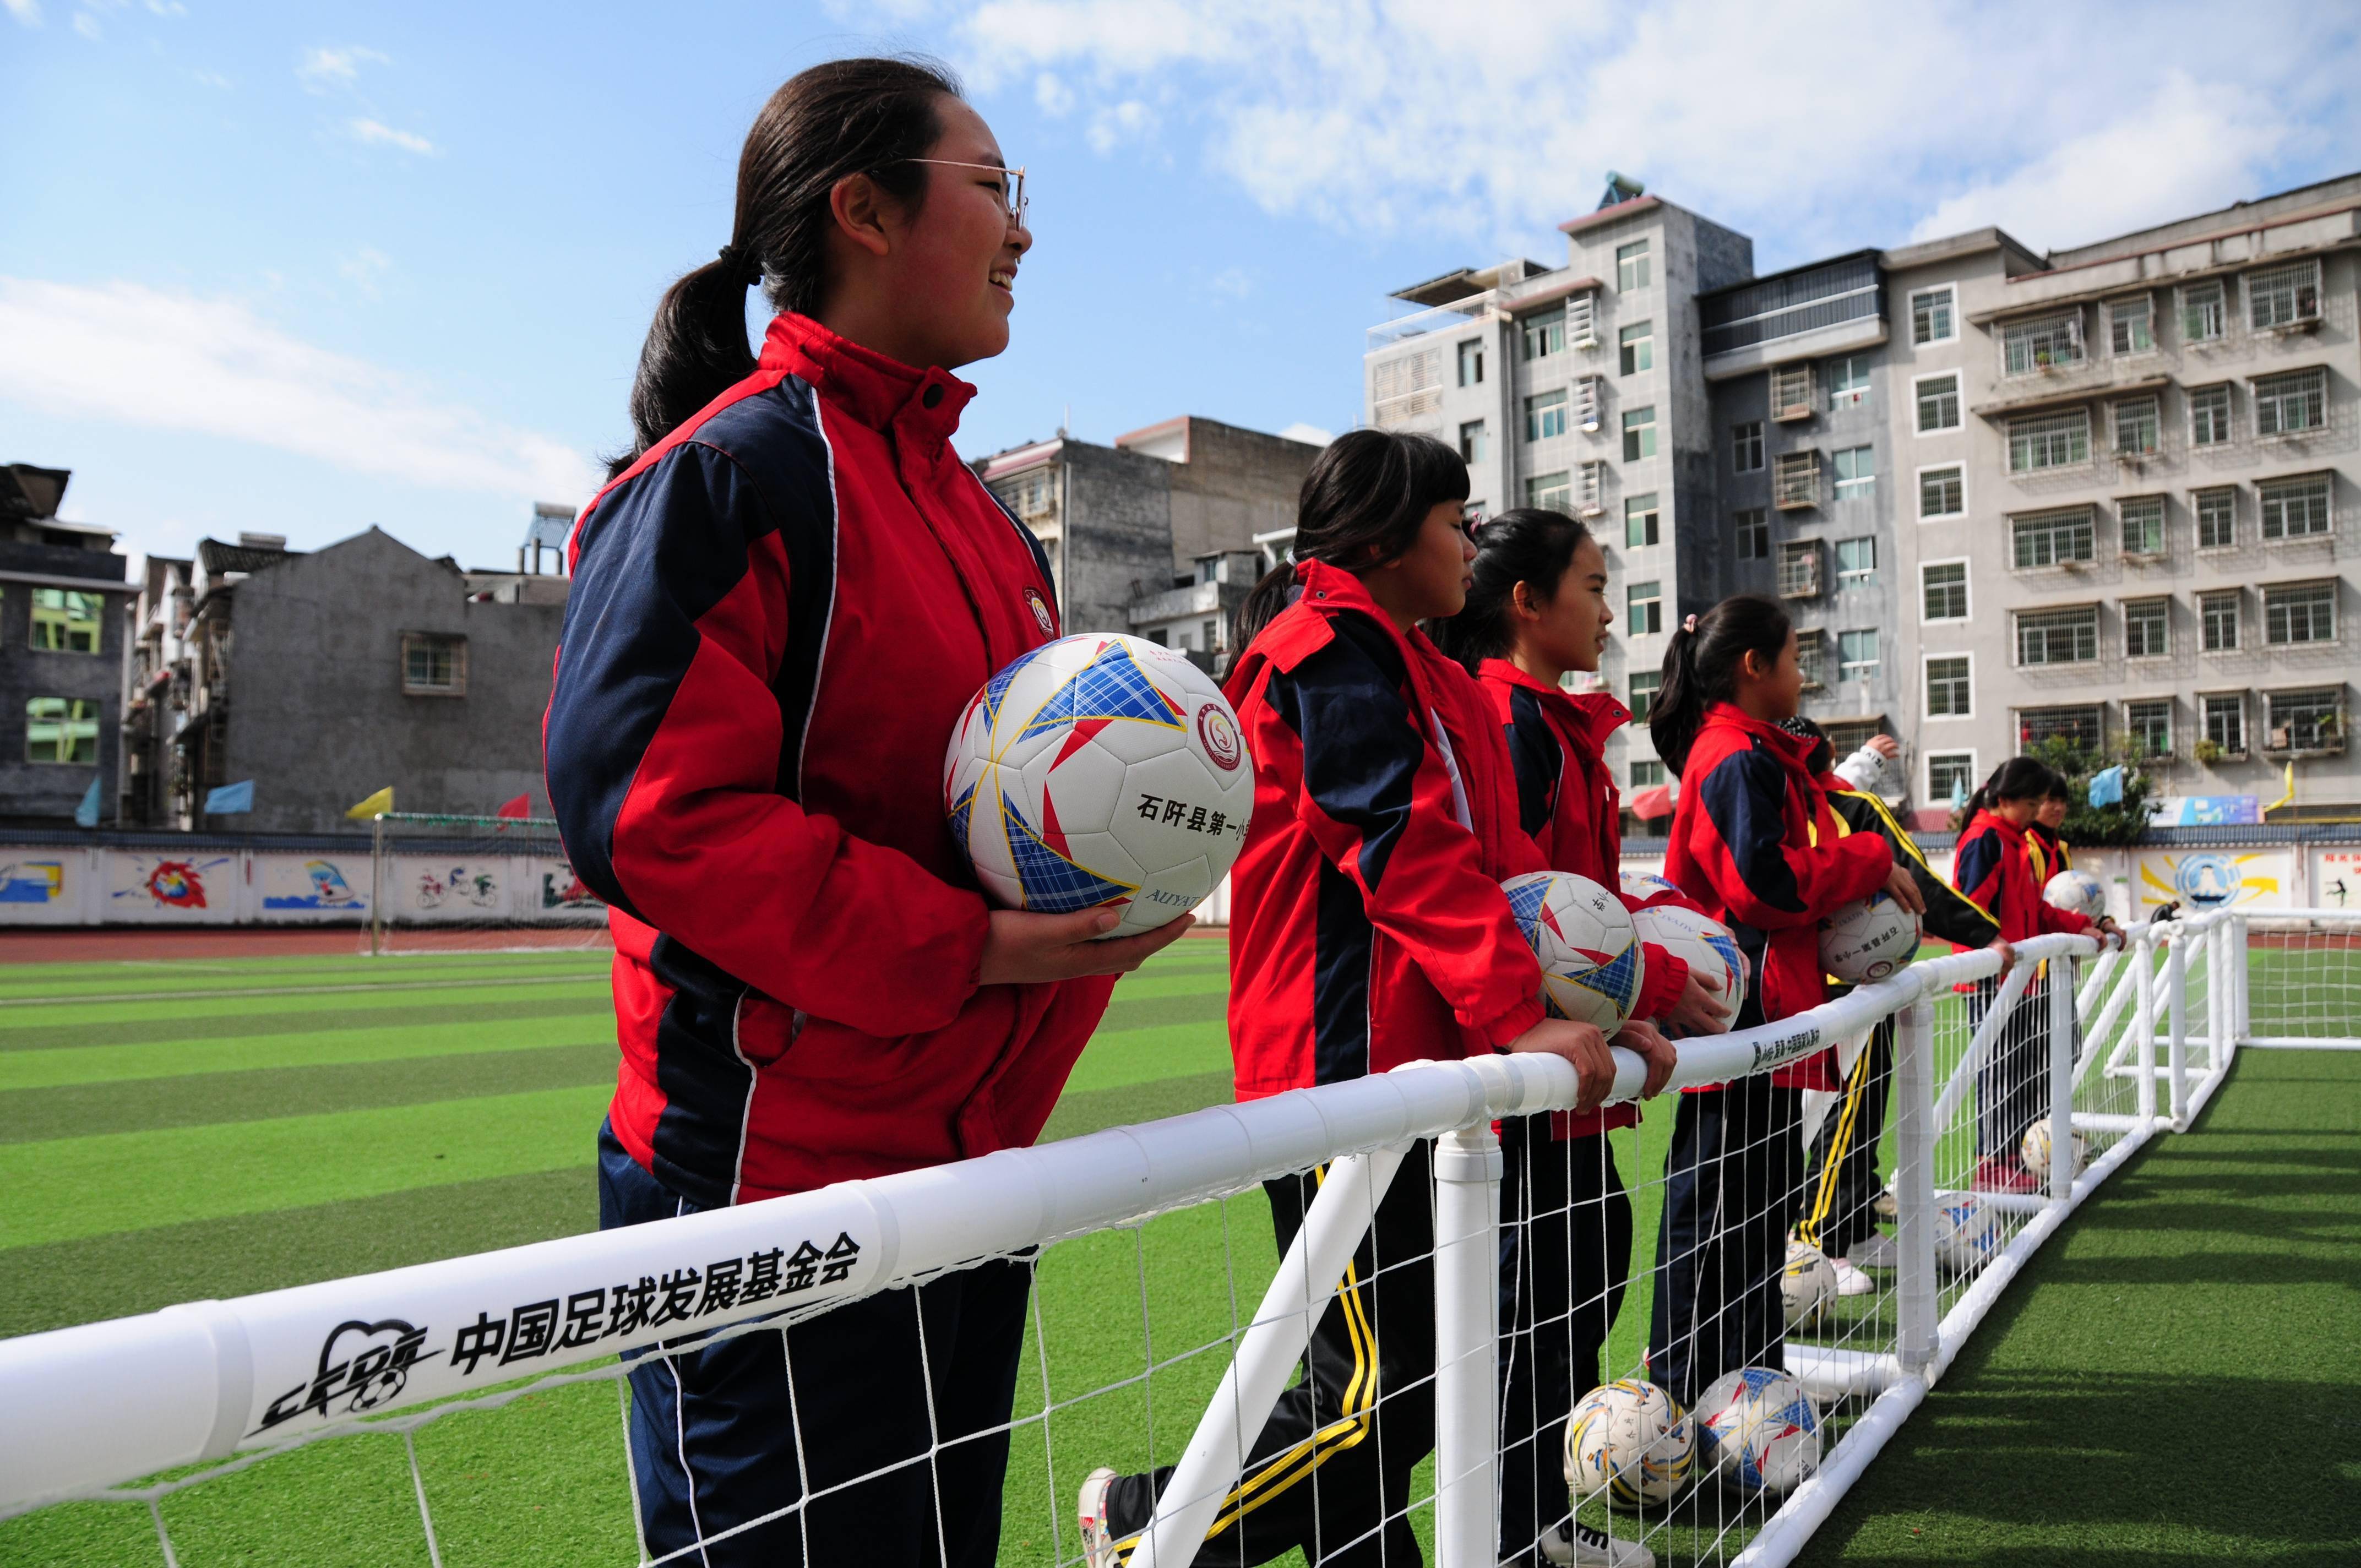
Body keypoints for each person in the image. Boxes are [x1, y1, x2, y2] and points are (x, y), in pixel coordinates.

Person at [543, 59, 1194, 1567]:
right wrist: (976, 947)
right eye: (996, 187)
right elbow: (649, 816)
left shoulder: (973, 514)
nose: (1023, 232)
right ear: (865, 210)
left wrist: (1111, 890)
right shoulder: (728, 476)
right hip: (774, 1192)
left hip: (969, 1173)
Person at [1079, 434, 1669, 1568]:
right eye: (1454, 519)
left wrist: (1592, 1006)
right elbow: (1390, 830)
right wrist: (1514, 1010)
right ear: (1386, 535)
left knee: (1408, 1377)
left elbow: (1502, 876)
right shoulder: (1321, 646)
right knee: (1377, 1388)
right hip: (1332, 1071)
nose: (1467, 543)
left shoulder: (1425, 670)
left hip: (1417, 1071)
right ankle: (1153, 1524)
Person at [1435, 508, 1714, 1566]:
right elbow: (1518, 906)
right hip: (1517, 1073)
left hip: (1567, 1066)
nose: (1606, 609)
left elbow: (1584, 916)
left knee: (1584, 1277)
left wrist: (1626, 996)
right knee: (1526, 1311)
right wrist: (1655, 979)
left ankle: (1531, 1527)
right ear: (1526, 602)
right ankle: (1508, 1539)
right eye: (1593, 586)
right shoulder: (1502, 721)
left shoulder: (1555, 726)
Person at [1642, 596, 1919, 1406]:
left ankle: (1756, 1384)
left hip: (1765, 1016)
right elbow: (1760, 885)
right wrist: (1869, 859)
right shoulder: (1731, 756)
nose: (1806, 674)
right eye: (1796, 658)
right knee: (1718, 1214)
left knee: (1758, 1216)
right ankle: (1694, 1397)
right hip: (1740, 1017)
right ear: (1753, 667)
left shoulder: (1757, 753)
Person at [1782, 722, 2006, 1293]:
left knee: (1850, 1115)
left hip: (1826, 985)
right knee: (1840, 1117)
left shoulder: (1795, 803)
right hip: (1839, 987)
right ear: (1830, 754)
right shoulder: (1833, 805)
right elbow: (1919, 885)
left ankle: (1852, 1229)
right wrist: (1985, 935)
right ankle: (1818, 1243)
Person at [1951, 759, 2112, 1193]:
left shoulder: (2012, 841)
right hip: (1990, 979)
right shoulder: (1986, 840)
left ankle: (2017, 1154)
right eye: (2033, 802)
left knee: (2019, 1071)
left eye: (2045, 802)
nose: (2039, 809)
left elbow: (2036, 911)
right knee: (1999, 1072)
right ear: (2004, 800)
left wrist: (2084, 925)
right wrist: (1990, 942)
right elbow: (1968, 905)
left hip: (2018, 978)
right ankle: (1991, 1163)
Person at [2028, 769, 2075, 884]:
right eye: (2051, 800)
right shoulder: (2022, 844)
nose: (2059, 808)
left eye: (2063, 801)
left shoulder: (2062, 849)